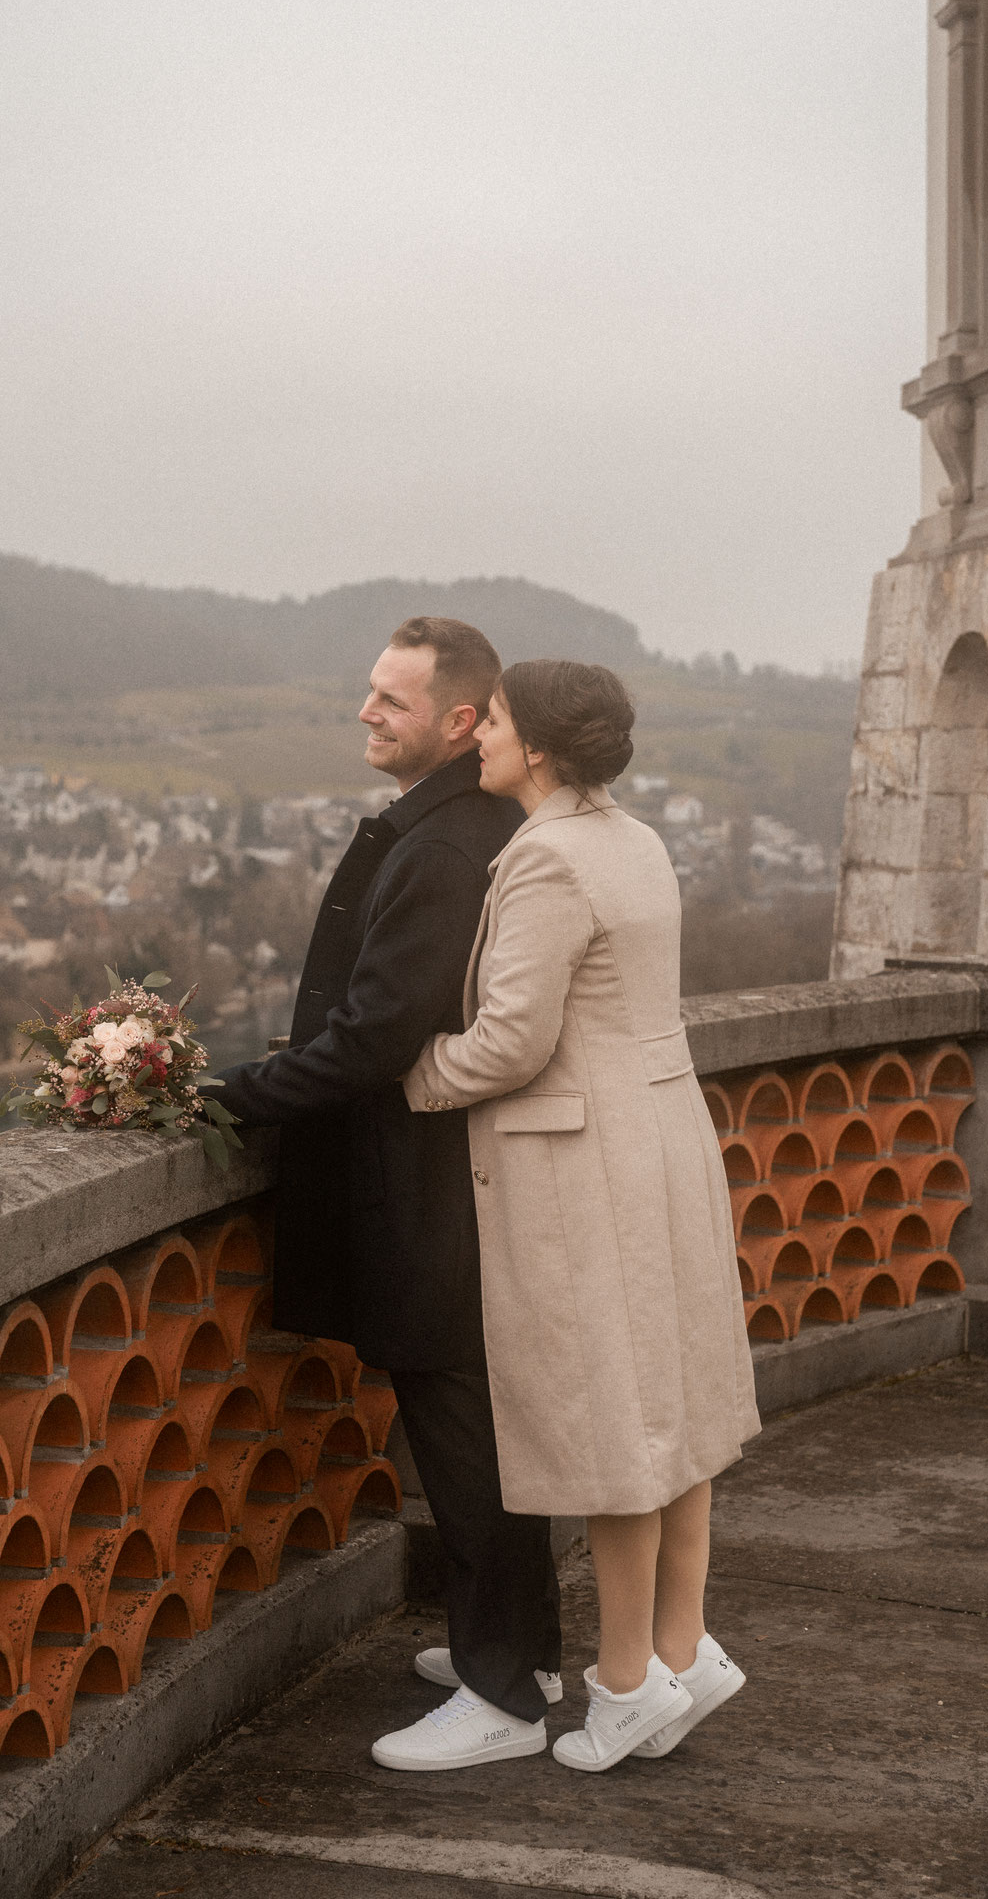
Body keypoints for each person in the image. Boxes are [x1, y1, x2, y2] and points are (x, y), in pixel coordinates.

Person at [209, 616, 566, 1759]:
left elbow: (377, 1037)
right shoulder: (455, 823)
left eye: (391, 699)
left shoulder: (449, 844)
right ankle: (523, 1649)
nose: (366, 711)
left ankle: (504, 1693)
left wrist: (229, 1093)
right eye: (369, 690)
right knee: (476, 1424)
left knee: (462, 1428)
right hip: (446, 1172)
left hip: (431, 1184)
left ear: (458, 721)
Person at [397, 658, 761, 1774]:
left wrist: (411, 1075)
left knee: (613, 1425)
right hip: (660, 1139)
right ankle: (680, 1649)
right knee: (676, 1411)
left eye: (495, 720)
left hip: (582, 1160)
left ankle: (619, 1683)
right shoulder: (635, 838)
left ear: (541, 745)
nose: (479, 738)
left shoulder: (545, 855)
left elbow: (512, 1039)